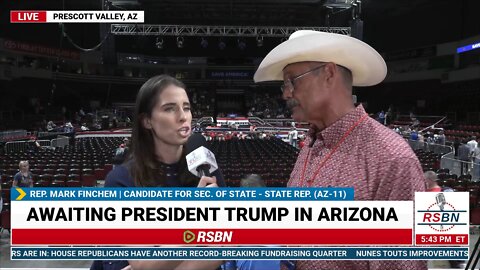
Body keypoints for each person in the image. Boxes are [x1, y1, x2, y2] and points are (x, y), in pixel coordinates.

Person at [254, 30, 427, 270]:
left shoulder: (391, 158)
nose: (285, 93)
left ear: (329, 73)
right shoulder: (311, 144)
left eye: (292, 80)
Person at [91, 75, 225, 270]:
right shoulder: (121, 180)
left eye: (186, 107)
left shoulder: (206, 168)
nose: (183, 116)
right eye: (169, 108)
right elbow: (144, 263)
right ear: (147, 121)